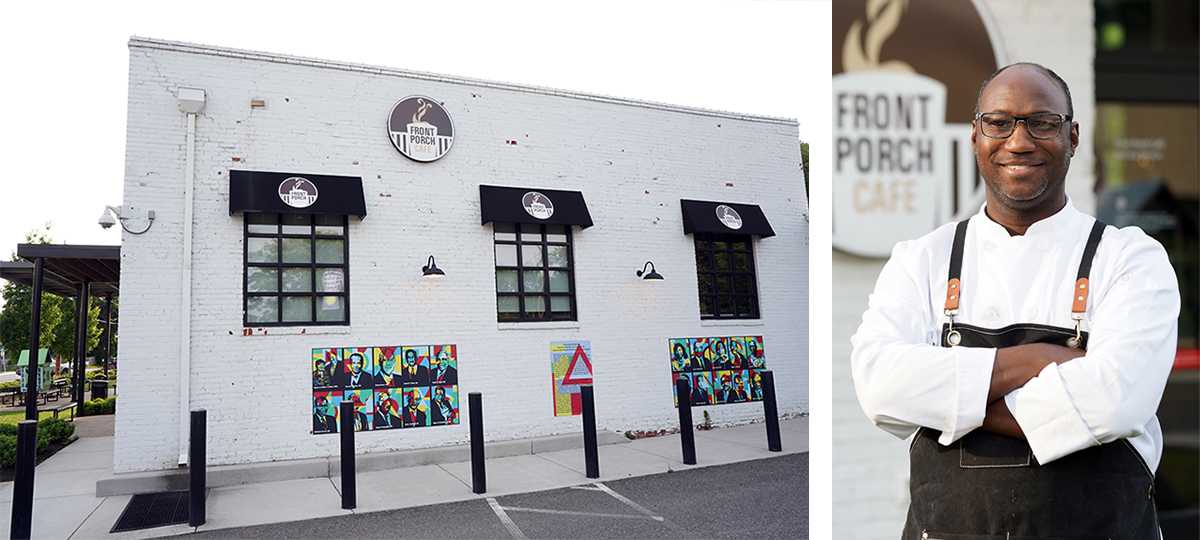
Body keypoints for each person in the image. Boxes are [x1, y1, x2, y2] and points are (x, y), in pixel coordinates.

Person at [850, 63, 1179, 539]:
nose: (1019, 141)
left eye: (1042, 122)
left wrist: (941, 399)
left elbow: (1114, 401)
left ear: (1073, 137)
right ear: (975, 136)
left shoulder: (1130, 257)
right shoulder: (922, 259)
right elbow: (879, 385)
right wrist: (1038, 359)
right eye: (999, 122)